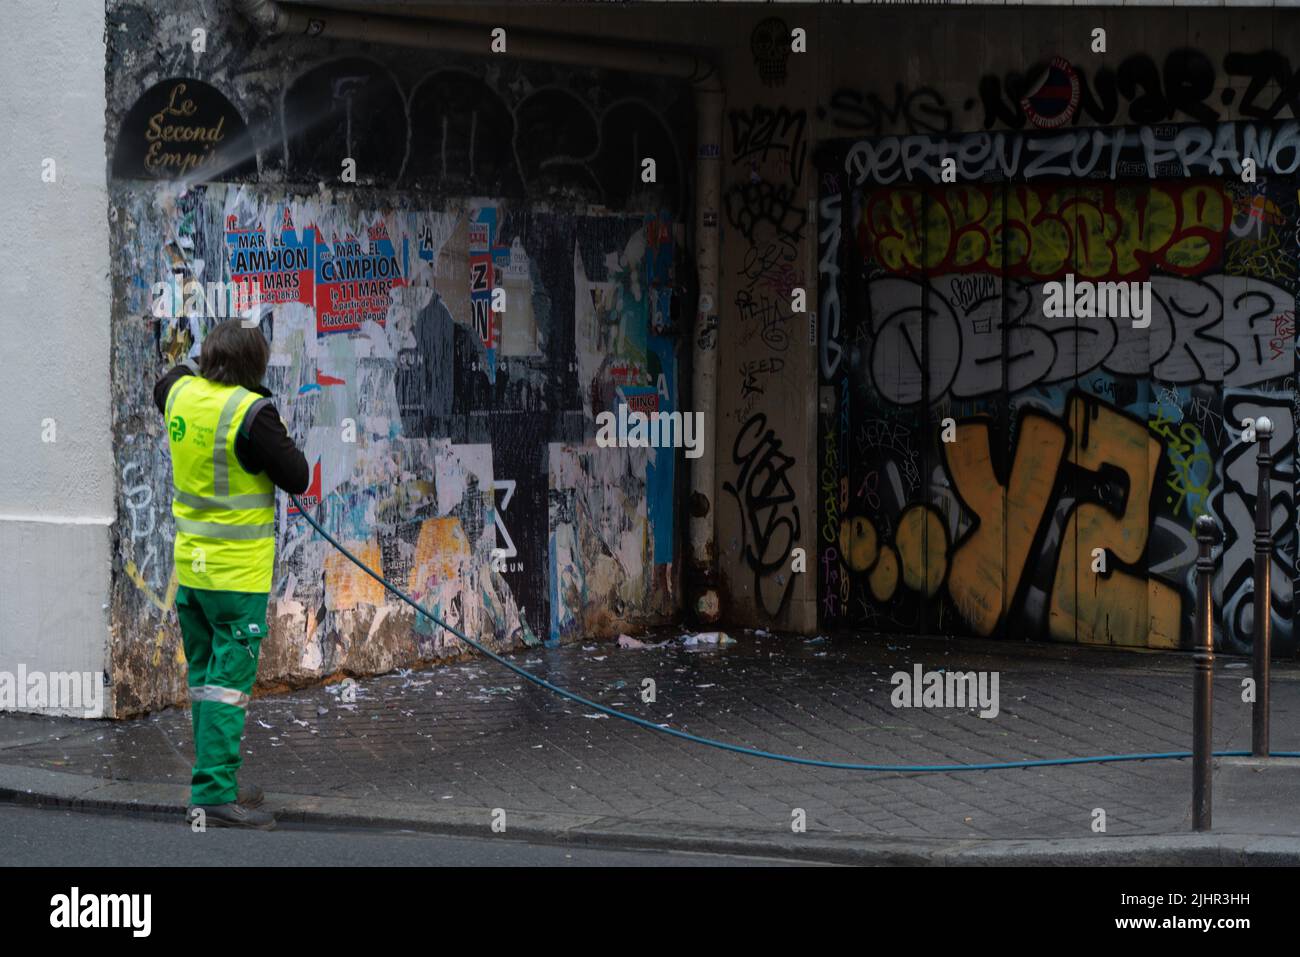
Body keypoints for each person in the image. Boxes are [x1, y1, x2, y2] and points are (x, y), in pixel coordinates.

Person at [153, 318, 309, 830]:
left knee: (204, 680)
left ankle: (214, 776)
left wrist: (210, 365)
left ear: (209, 358)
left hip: (192, 574)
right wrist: (258, 399)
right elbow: (298, 477)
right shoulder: (252, 413)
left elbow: (171, 375)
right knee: (226, 686)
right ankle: (215, 792)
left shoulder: (179, 393)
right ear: (254, 367)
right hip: (235, 579)